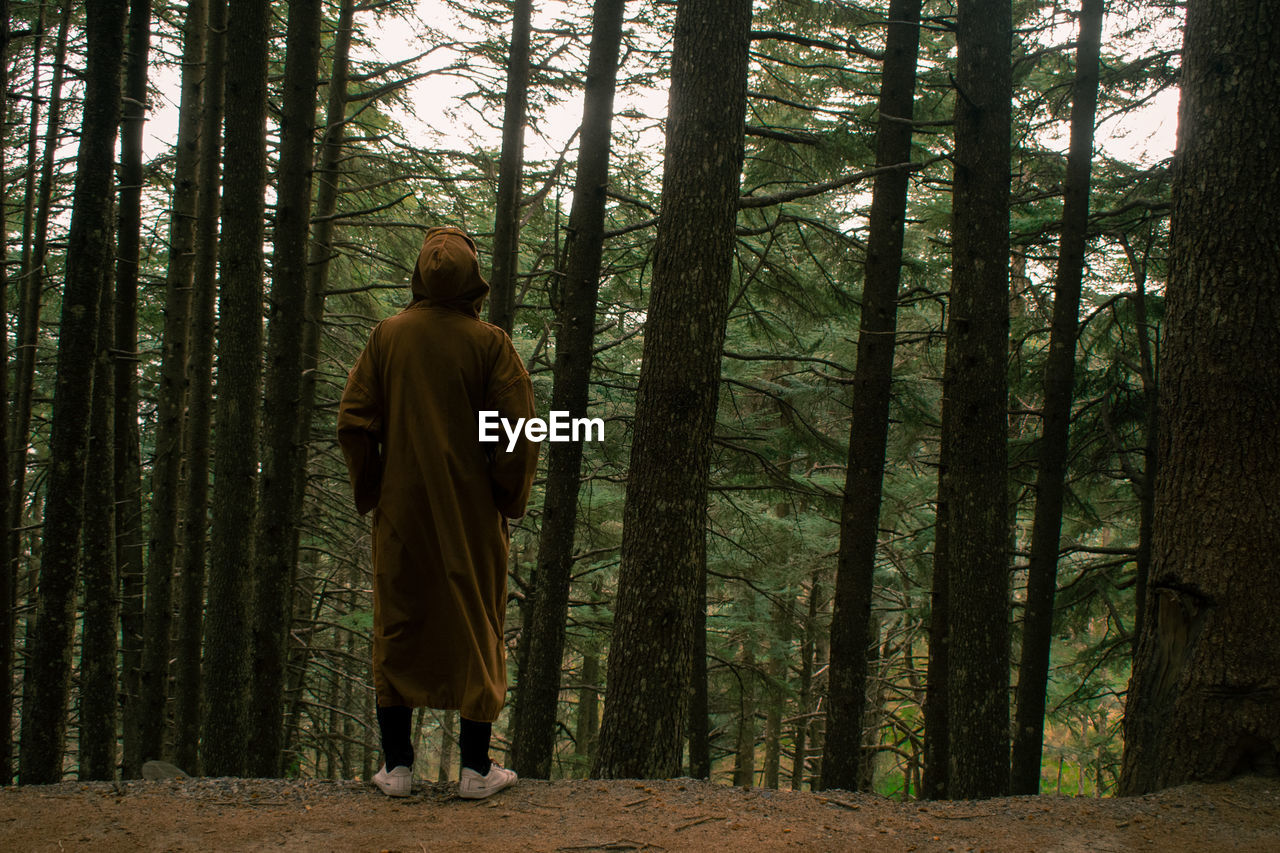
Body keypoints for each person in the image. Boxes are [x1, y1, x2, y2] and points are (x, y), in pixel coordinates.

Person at [337, 226, 540, 799]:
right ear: (473, 278)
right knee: (476, 620)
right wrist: (506, 496)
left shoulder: (388, 337)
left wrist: (375, 488)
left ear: (421, 276)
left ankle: (396, 768)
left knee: (400, 620)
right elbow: (519, 433)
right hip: (471, 515)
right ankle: (477, 770)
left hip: (402, 511)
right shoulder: (490, 344)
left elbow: (354, 422)